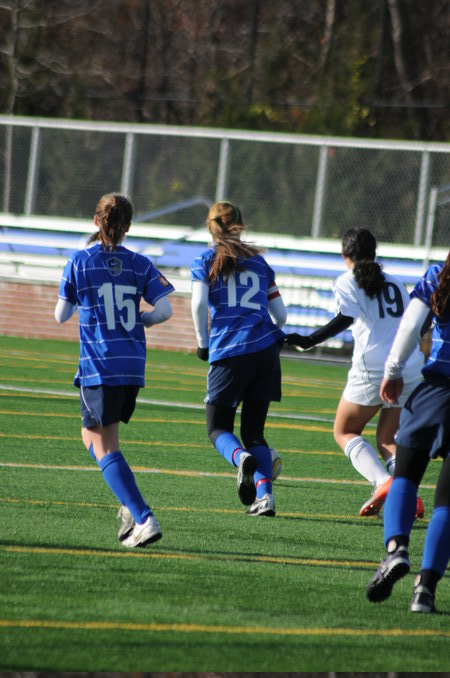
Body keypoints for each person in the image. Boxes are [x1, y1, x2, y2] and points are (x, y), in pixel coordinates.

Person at [55, 192, 174, 547]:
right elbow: (165, 310)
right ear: (128, 227)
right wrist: (144, 320)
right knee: (91, 436)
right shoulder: (140, 263)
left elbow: (60, 315)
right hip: (132, 363)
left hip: (100, 363)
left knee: (105, 446)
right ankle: (128, 503)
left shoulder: (80, 260)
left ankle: (143, 516)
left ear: (97, 221)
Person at [285, 228, 425, 518]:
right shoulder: (395, 282)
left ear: (344, 255)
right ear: (374, 253)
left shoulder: (346, 280)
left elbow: (345, 318)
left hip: (373, 369)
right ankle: (407, 492)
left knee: (344, 431)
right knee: (388, 440)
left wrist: (309, 340)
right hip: (409, 366)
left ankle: (383, 482)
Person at [190, 201, 287, 516]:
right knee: (254, 431)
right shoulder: (260, 263)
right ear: (240, 225)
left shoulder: (205, 260)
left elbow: (198, 304)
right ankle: (265, 498)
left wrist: (203, 343)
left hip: (231, 349)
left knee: (217, 427)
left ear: (210, 226)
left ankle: (240, 458)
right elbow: (281, 316)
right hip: (266, 350)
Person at [366, 253, 450, 613]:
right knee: (447, 502)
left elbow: (411, 325)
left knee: (405, 476)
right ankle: (425, 589)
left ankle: (396, 549)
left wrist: (393, 370)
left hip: (436, 390)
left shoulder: (440, 275)